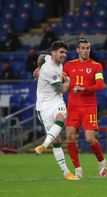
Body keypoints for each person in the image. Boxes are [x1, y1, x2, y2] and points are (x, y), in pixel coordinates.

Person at [33, 41, 78, 181]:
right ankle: (66, 172)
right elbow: (62, 90)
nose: (64, 55)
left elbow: (41, 56)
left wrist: (38, 67)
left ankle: (43, 145)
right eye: (61, 52)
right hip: (44, 106)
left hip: (57, 102)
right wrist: (69, 82)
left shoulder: (50, 60)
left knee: (61, 117)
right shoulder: (50, 70)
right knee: (57, 139)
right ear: (54, 53)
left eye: (65, 52)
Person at [63, 38, 107, 178]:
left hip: (89, 106)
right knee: (69, 135)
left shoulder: (96, 66)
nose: (85, 51)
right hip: (73, 106)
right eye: (82, 48)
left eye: (87, 48)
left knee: (89, 138)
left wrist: (83, 89)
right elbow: (61, 82)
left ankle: (102, 161)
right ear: (77, 50)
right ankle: (78, 169)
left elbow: (100, 86)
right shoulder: (69, 66)